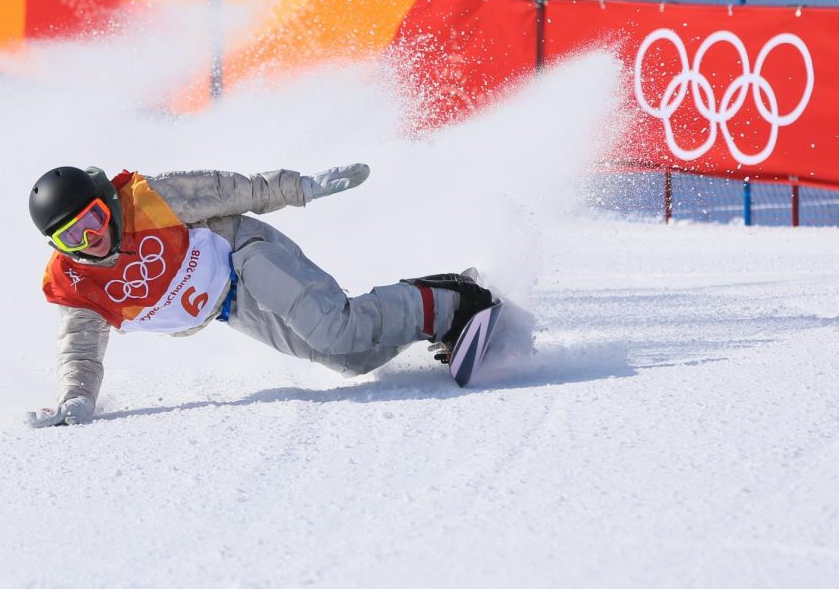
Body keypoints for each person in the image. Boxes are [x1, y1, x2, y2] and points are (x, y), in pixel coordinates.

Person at [25, 164, 492, 427]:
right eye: (73, 238)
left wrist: (302, 188)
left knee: (335, 328)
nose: (92, 240)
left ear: (104, 204)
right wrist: (76, 396)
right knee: (351, 359)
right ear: (58, 247)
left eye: (92, 221)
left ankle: (459, 304)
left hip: (243, 254)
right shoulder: (77, 284)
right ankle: (431, 298)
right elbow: (79, 352)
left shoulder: (147, 200)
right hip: (231, 308)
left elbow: (233, 191)